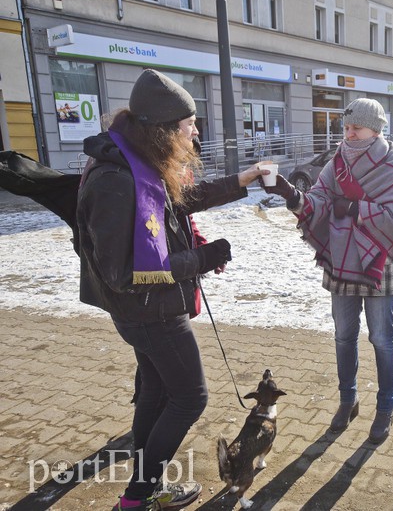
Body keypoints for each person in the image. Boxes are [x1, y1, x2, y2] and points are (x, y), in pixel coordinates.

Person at [76, 68, 269, 511]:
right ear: (163, 130)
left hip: (149, 309)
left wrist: (242, 180)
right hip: (149, 312)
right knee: (190, 397)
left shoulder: (137, 159)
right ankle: (138, 498)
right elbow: (123, 272)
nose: (196, 131)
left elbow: (181, 200)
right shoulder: (116, 179)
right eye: (189, 125)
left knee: (158, 392)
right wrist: (204, 257)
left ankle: (144, 490)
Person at [263, 98, 393, 444]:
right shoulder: (338, 161)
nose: (348, 135)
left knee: (381, 339)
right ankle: (348, 400)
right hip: (342, 262)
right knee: (344, 336)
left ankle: (385, 408)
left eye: (355, 129)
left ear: (375, 130)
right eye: (345, 128)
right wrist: (290, 193)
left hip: (378, 264)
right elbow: (317, 200)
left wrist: (355, 208)